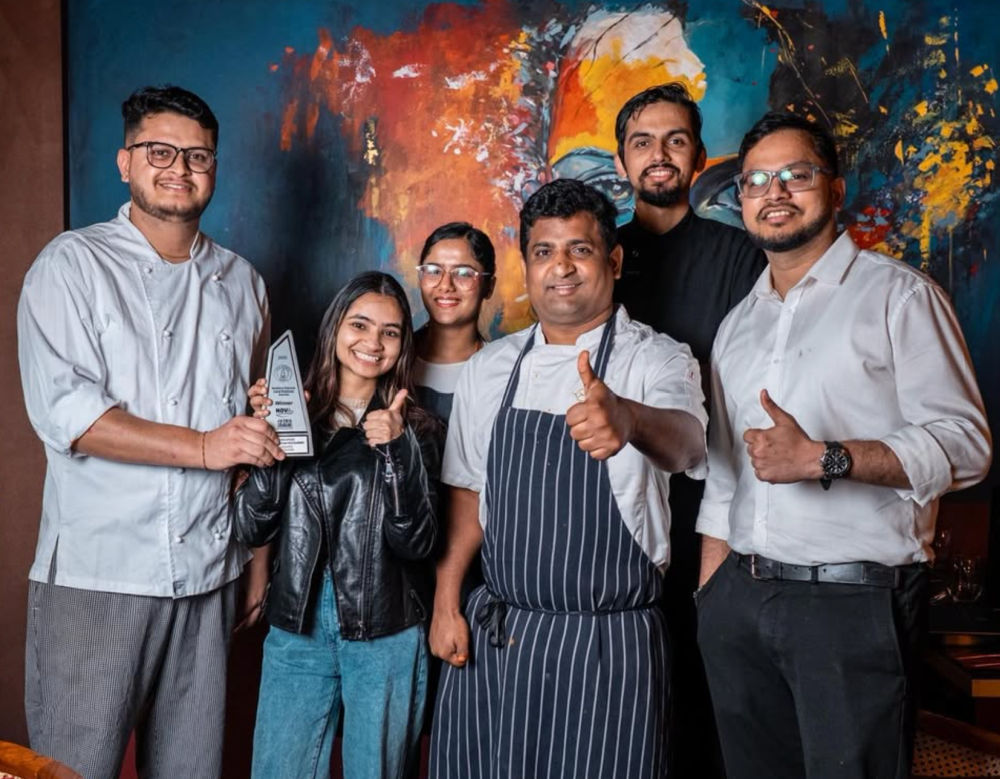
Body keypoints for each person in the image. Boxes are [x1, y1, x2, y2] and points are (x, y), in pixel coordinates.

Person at [695, 112, 992, 779]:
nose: (774, 192)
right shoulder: (738, 324)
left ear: (834, 188)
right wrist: (711, 598)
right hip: (740, 601)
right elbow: (724, 474)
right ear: (741, 199)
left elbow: (968, 445)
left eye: (795, 175)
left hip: (851, 604)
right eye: (756, 180)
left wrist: (825, 457)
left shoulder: (900, 297)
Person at [16, 85, 282, 778]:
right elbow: (69, 415)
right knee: (73, 769)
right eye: (160, 152)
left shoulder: (244, 283)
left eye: (198, 156)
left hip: (208, 573)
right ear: (125, 161)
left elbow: (254, 433)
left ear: (215, 167)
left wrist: (255, 555)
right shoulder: (71, 265)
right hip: (98, 573)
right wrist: (205, 447)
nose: (179, 169)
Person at [429, 179, 707, 778]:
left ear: (613, 261)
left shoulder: (655, 357)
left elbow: (688, 444)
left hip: (610, 643)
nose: (561, 268)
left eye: (579, 250)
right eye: (544, 251)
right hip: (501, 638)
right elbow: (467, 493)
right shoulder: (490, 368)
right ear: (527, 266)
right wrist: (446, 601)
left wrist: (628, 419)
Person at [613, 81, 766, 777]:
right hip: (614, 501)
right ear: (622, 160)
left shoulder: (741, 256)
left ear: (699, 156)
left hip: (713, 505)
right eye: (642, 142)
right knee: (624, 692)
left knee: (705, 686)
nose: (659, 154)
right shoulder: (595, 255)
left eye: (675, 140)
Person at [235, 271, 442, 778]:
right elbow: (251, 527)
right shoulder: (291, 408)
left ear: (402, 345)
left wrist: (396, 451)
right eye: (360, 325)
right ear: (335, 328)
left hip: (385, 627)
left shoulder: (417, 428)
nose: (373, 342)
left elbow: (416, 543)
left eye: (390, 332)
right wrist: (271, 436)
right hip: (298, 623)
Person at [413, 221, 496, 423]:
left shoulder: (500, 369)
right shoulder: (392, 357)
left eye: (464, 273)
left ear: (489, 287)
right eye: (434, 271)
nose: (446, 285)